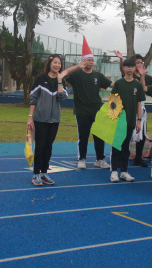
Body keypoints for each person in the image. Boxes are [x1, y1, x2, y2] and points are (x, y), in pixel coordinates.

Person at [66, 38, 113, 170]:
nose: (90, 62)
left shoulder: (98, 75)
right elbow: (65, 74)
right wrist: (78, 66)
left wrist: (127, 81)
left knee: (99, 136)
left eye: (92, 60)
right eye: (88, 60)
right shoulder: (77, 74)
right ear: (83, 61)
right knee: (83, 136)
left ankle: (100, 159)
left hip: (97, 110)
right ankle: (82, 159)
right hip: (82, 111)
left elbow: (112, 84)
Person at [28, 54, 73, 186]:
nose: (57, 65)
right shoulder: (41, 79)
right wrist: (30, 117)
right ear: (49, 63)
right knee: (40, 146)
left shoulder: (61, 81)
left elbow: (61, 97)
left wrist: (59, 81)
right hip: (40, 119)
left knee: (48, 147)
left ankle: (44, 173)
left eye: (59, 63)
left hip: (55, 120)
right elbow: (33, 98)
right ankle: (36, 174)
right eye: (55, 62)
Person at [114, 51, 152, 167]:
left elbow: (142, 89)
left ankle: (138, 158)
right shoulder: (127, 76)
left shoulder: (142, 76)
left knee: (141, 135)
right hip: (127, 109)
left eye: (141, 63)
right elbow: (123, 69)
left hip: (140, 108)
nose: (139, 65)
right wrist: (121, 59)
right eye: (137, 63)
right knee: (124, 135)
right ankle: (120, 159)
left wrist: (143, 75)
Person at [110, 57, 145, 182]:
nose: (129, 69)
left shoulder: (138, 85)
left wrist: (139, 120)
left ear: (135, 68)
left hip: (130, 121)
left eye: (132, 66)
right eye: (127, 66)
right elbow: (112, 101)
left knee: (126, 147)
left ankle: (124, 172)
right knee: (116, 146)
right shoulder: (118, 83)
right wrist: (113, 118)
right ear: (123, 68)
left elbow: (139, 103)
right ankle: (114, 171)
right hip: (118, 121)